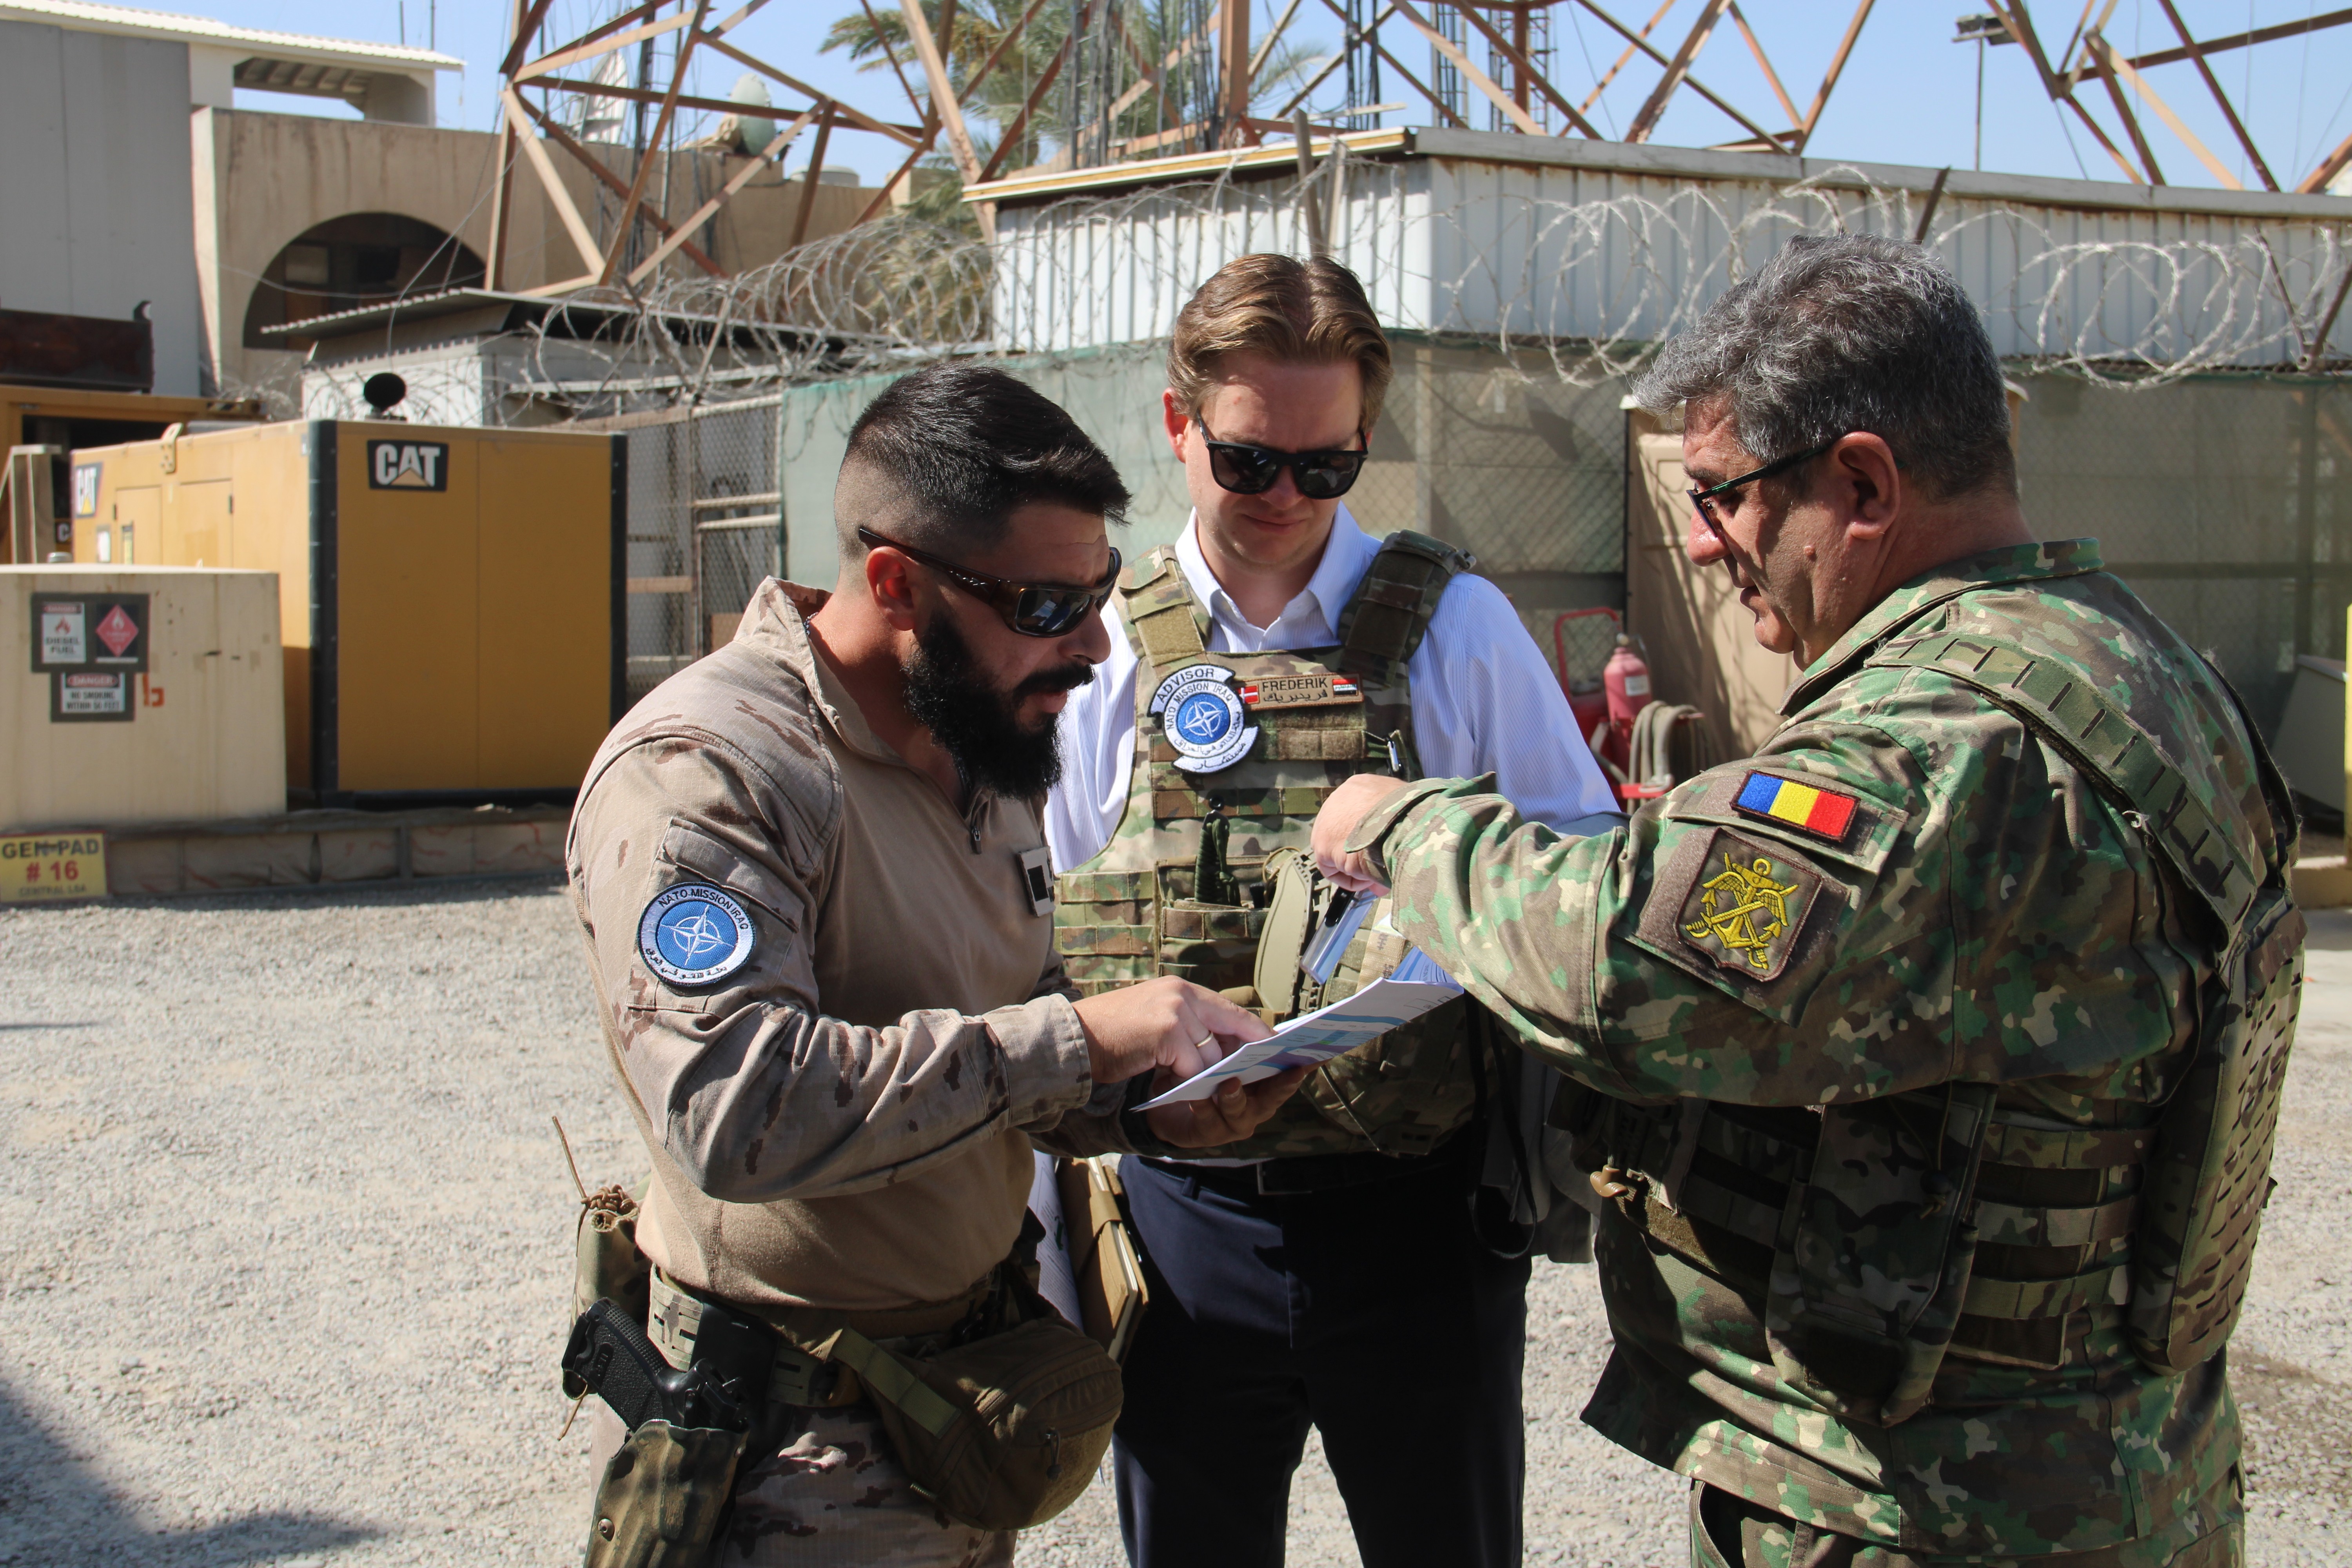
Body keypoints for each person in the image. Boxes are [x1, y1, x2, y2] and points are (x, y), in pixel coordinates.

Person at [1310, 232, 2301, 1568]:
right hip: (2121, 1474)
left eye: (1722, 496)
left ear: (1864, 483)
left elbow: (1636, 976)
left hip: (1942, 1507)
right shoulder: (2132, 661)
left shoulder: (1943, 739)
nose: (1709, 541)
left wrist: (1410, 825)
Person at [563, 362, 1303, 1566]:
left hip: (955, 1405)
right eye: (1047, 605)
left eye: (1101, 589)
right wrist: (1082, 1041)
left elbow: (998, 1040)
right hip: (783, 1448)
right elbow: (735, 1108)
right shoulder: (710, 772)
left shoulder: (983, 735)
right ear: (899, 582)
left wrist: (1156, 1103)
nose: (1094, 643)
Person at [1046, 253, 1621, 1568]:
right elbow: (1048, 924)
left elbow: (1577, 892)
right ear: (1179, 424)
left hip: (1417, 1223)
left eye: (1329, 466)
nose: (1287, 499)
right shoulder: (1102, 652)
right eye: (1249, 462)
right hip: (1182, 1214)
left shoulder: (1459, 629)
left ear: (1365, 442)